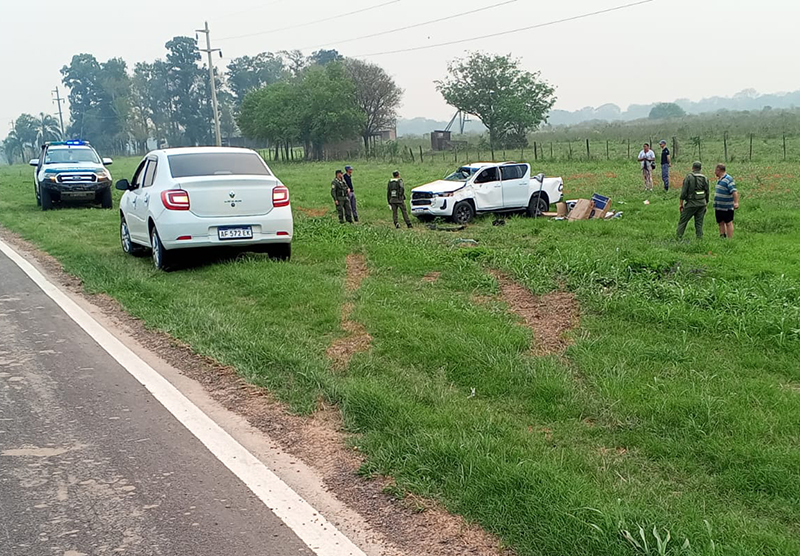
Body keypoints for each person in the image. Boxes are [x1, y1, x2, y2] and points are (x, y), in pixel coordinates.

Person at [677, 161, 710, 239]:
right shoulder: (705, 178)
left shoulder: (689, 177)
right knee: (699, 223)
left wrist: (681, 204)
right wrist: (706, 203)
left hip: (691, 204)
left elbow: (683, 192)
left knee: (683, 221)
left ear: (692, 168)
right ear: (700, 168)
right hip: (702, 203)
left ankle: (679, 237)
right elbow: (707, 192)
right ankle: (699, 238)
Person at [713, 164, 740, 239]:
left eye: (715, 170)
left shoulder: (728, 179)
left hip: (727, 207)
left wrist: (736, 202)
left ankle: (730, 239)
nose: (715, 172)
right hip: (719, 206)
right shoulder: (720, 179)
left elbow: (734, 191)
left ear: (719, 170)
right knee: (720, 222)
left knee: (728, 222)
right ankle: (722, 237)